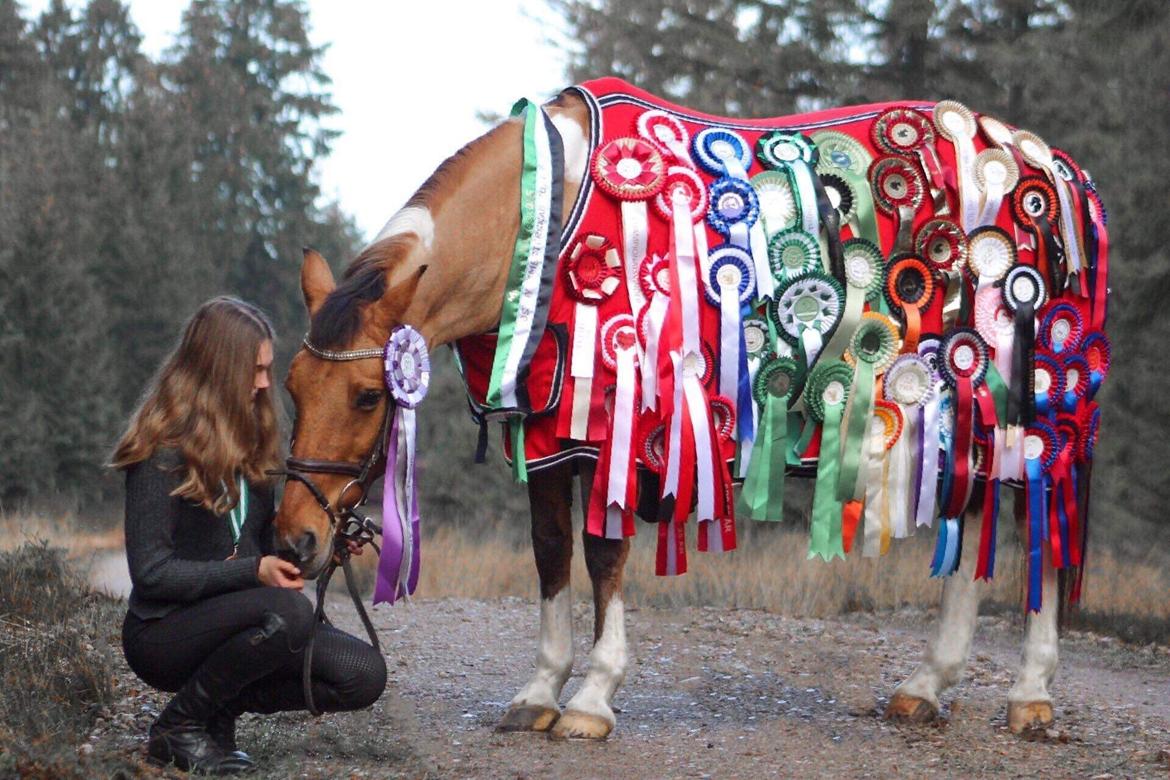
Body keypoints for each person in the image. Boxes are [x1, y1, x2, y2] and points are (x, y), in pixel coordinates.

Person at [112, 296, 387, 775]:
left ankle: (217, 713)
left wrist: (320, 551)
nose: (264, 383)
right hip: (164, 632)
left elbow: (261, 545)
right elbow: (152, 575)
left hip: (245, 618)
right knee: (287, 613)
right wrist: (253, 570)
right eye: (254, 371)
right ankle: (180, 726)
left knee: (362, 674)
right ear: (216, 369)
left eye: (267, 369)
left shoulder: (251, 442)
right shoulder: (159, 452)